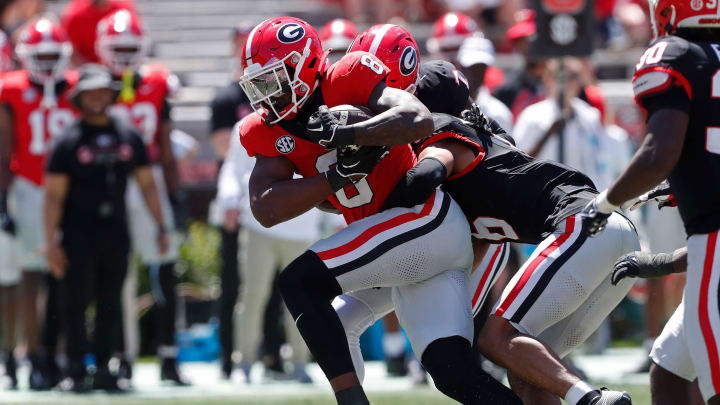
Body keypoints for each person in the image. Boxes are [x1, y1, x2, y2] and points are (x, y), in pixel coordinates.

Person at [238, 16, 520, 405]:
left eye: (273, 80)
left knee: (300, 282)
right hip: (388, 245)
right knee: (453, 374)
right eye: (257, 85)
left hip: (423, 221)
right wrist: (337, 177)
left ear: (304, 65)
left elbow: (415, 118)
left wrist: (351, 133)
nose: (265, 95)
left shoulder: (347, 78)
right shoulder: (269, 128)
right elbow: (266, 207)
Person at [332, 52, 637, 404]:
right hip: (610, 233)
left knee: (497, 339)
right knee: (530, 371)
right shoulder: (489, 135)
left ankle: (591, 400)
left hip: (584, 224)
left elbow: (427, 176)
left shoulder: (443, 129)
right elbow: (472, 243)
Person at [579, 0, 720, 403]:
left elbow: (659, 152)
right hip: (710, 243)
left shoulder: (673, 55)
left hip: (715, 241)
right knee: (671, 368)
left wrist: (603, 205)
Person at [44, 64, 167, 392]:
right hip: (77, 231)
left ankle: (104, 368)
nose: (97, 97)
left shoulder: (127, 134)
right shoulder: (68, 139)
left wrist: (160, 225)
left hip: (115, 229)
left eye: (103, 90)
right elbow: (53, 196)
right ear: (80, 97)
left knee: (111, 301)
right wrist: (51, 242)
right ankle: (73, 369)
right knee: (75, 301)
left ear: (112, 93)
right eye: (90, 92)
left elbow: (147, 185)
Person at [94, 9, 187, 385]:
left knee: (164, 270)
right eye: (119, 47)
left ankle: (168, 356)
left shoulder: (158, 81)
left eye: (131, 47)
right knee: (116, 276)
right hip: (107, 186)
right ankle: (123, 358)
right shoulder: (91, 85)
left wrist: (176, 193)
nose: (126, 54)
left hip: (149, 184)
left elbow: (165, 144)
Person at [0, 17, 77, 390]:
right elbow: (4, 149)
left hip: (73, 191)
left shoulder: (79, 86)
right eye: (39, 55)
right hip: (29, 189)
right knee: (30, 275)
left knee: (66, 275)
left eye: (52, 55)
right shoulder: (11, 89)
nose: (46, 63)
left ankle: (58, 353)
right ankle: (29, 355)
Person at [218, 130, 321, 383]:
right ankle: (244, 363)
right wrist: (230, 200)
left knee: (302, 298)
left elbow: (325, 169)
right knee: (253, 294)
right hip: (258, 224)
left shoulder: (315, 120)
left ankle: (299, 362)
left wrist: (338, 216)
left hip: (303, 226)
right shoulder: (250, 125)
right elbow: (234, 167)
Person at [513, 58, 614, 190]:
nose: (567, 83)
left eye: (573, 77)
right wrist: (548, 134)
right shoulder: (532, 116)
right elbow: (518, 162)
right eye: (561, 77)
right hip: (545, 195)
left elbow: (601, 162)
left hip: (583, 197)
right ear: (548, 80)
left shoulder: (590, 116)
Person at [457, 33, 513, 133]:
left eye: (481, 67)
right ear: (461, 67)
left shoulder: (499, 113)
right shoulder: (447, 107)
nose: (476, 73)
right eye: (472, 67)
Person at [60, 0, 138, 66]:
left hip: (122, 67)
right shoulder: (74, 14)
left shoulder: (125, 9)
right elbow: (72, 51)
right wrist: (90, 70)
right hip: (87, 72)